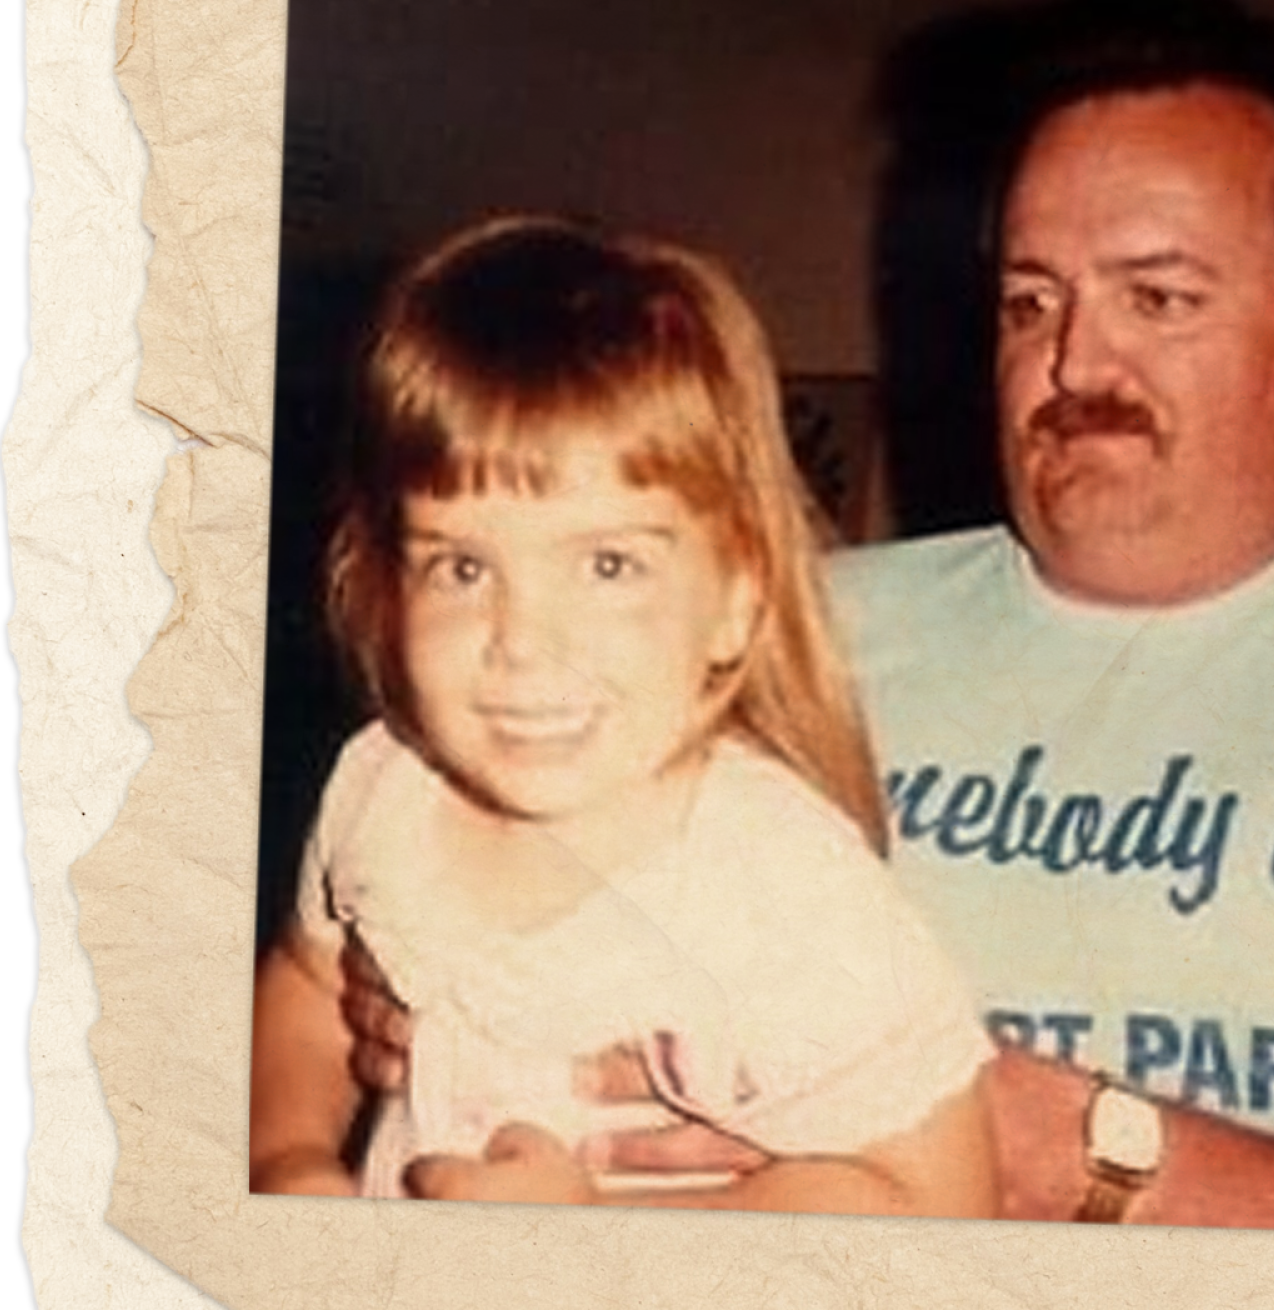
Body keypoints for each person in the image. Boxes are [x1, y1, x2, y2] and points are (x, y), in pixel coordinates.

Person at [343, 0, 1274, 1237]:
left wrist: (1092, 1156)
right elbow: (464, 857)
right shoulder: (773, 631)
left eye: (1157, 296)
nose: (1073, 363)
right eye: (1030, 301)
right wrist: (417, 971)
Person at [250, 216, 995, 1217]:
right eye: (462, 566)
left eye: (608, 565)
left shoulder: (792, 893)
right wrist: (287, 1157)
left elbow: (936, 1204)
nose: (522, 639)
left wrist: (603, 1245)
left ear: (734, 594)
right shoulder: (380, 784)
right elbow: (308, 988)